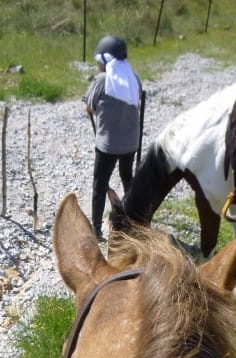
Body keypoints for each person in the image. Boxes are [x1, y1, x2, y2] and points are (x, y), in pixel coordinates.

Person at [83, 35, 142, 241]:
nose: (98, 64)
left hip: (108, 145)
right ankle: (133, 222)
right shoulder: (134, 78)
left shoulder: (101, 80)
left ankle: (97, 230)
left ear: (106, 60)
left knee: (99, 185)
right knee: (128, 179)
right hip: (131, 143)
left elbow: (89, 107)